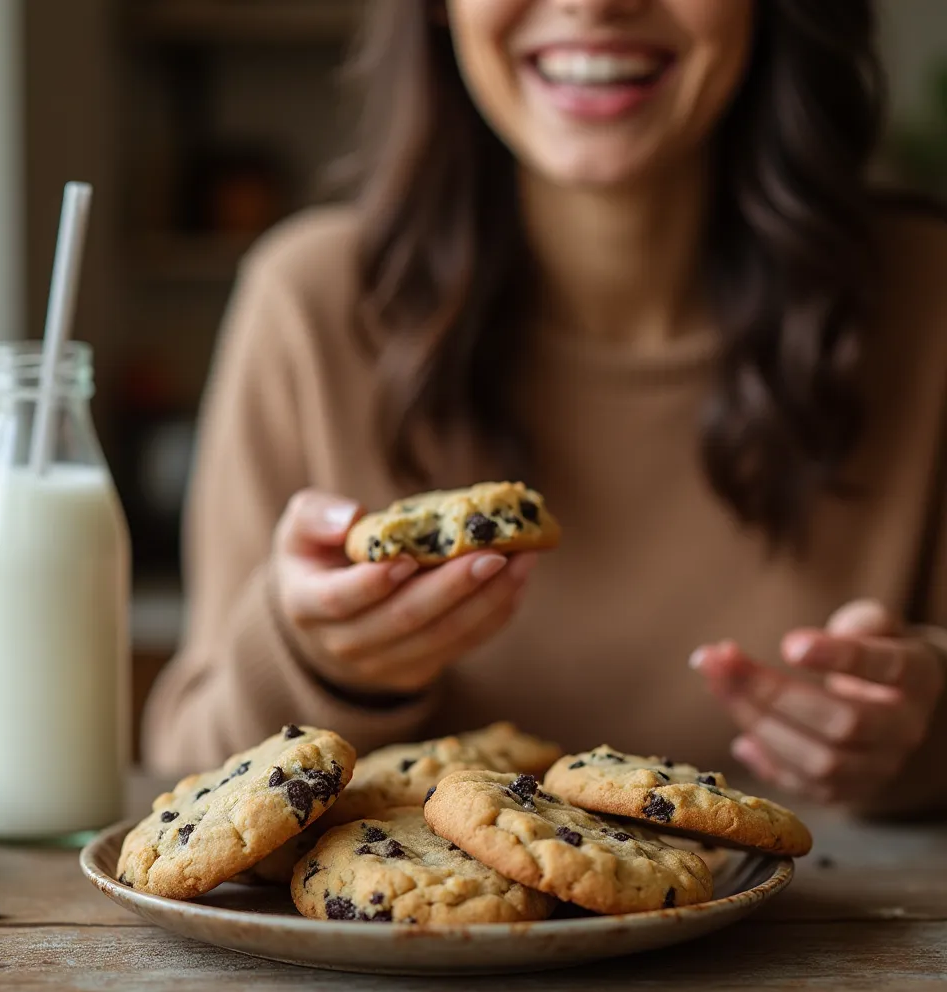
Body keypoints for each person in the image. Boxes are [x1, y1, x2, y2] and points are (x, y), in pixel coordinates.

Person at [143, 0, 947, 816]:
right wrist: (319, 663)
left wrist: (923, 729)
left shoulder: (930, 306)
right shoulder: (310, 305)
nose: (594, 5)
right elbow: (188, 783)